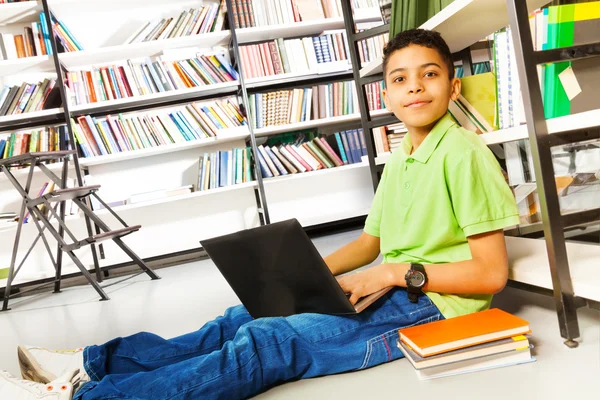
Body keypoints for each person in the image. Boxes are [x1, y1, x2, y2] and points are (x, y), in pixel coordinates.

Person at [0, 29, 520, 400]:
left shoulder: (464, 153)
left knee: (270, 341)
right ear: (385, 93)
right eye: (400, 79)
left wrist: (389, 273)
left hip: (431, 307)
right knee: (245, 315)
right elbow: (370, 241)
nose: (414, 87)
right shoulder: (403, 155)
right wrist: (304, 278)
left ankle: (86, 396)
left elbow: (491, 273)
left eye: (429, 75)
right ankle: (90, 364)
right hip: (393, 287)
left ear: (453, 87)